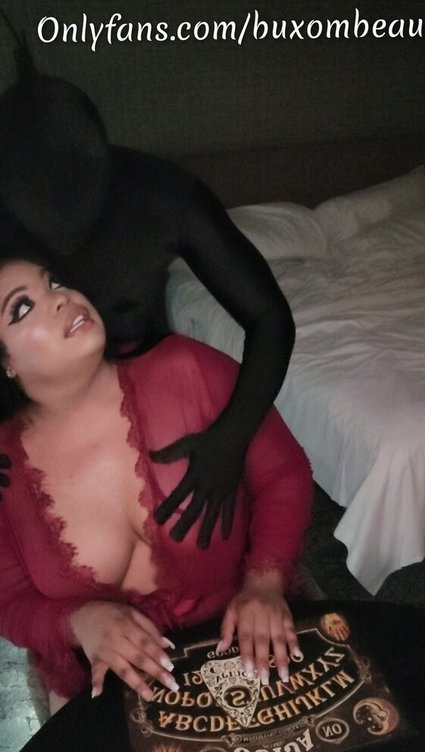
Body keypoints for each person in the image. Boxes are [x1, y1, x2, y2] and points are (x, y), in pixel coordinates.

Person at [0, 43, 296, 547]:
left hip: (145, 393)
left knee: (178, 536)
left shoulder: (164, 195)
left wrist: (229, 441)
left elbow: (270, 317)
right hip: (34, 412)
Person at [0, 254, 312, 714]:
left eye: (55, 283)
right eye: (22, 308)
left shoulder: (187, 368)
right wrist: (82, 621)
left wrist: (264, 585)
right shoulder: (5, 468)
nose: (61, 299)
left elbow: (283, 475)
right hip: (101, 687)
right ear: (6, 363)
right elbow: (9, 601)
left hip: (242, 643)